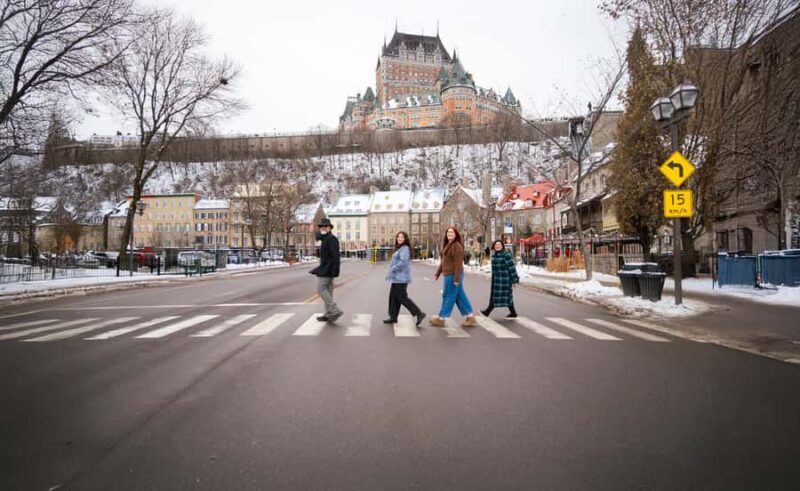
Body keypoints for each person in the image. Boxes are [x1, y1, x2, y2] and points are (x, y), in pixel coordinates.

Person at [430, 226, 477, 328]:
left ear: (456, 234)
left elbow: (458, 264)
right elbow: (444, 262)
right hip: (450, 274)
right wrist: (438, 273)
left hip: (453, 275)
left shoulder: (457, 246)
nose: (449, 234)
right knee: (459, 296)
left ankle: (442, 318)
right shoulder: (448, 245)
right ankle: (470, 316)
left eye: (452, 232)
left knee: (448, 296)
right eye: (448, 232)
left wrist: (456, 279)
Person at [383, 231, 426, 326]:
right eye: (398, 237)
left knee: (402, 298)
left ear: (405, 239)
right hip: (397, 278)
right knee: (394, 297)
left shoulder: (405, 249)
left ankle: (419, 313)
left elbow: (403, 262)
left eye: (401, 237)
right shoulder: (400, 248)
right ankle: (393, 317)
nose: (399, 239)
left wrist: (392, 268)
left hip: (401, 278)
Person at [309, 218, 343, 322]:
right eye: (321, 226)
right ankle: (329, 313)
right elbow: (318, 238)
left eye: (325, 226)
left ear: (329, 227)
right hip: (326, 268)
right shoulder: (325, 238)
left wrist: (335, 270)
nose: (323, 228)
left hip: (328, 270)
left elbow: (335, 257)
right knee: (328, 291)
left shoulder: (331, 239)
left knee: (321, 290)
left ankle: (334, 309)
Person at [481, 240, 519, 319]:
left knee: (497, 296)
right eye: (496, 245)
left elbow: (512, 268)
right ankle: (513, 313)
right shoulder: (495, 255)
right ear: (494, 246)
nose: (497, 246)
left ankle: (487, 312)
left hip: (504, 280)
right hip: (496, 280)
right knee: (507, 297)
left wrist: (514, 280)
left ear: (502, 246)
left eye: (499, 245)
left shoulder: (506, 255)